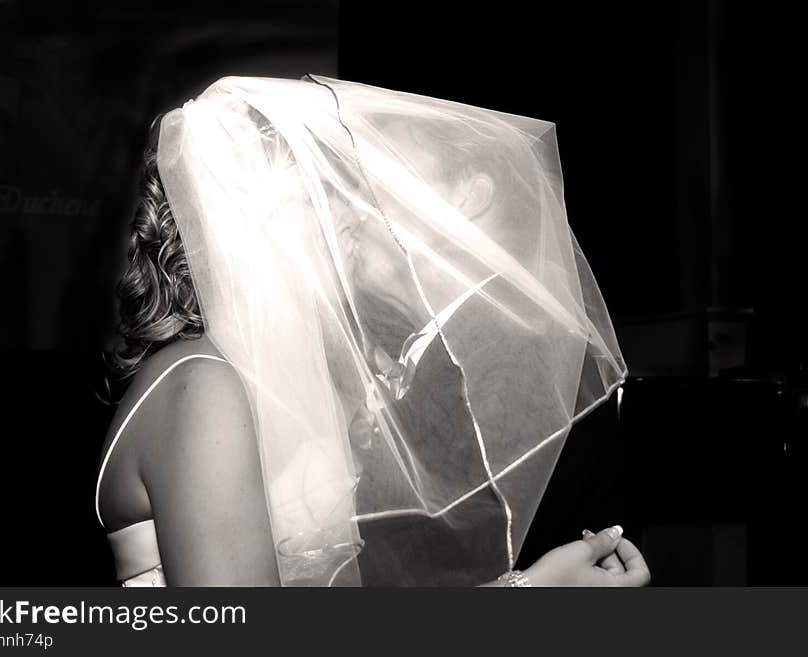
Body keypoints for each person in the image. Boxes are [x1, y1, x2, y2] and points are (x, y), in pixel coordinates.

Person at [96, 75, 650, 587]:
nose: (353, 220)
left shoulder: (253, 383)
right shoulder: (204, 389)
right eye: (324, 202)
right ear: (249, 234)